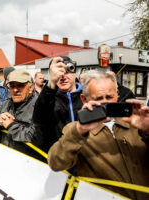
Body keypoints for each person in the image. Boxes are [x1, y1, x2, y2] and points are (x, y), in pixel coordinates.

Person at [48, 70, 149, 200]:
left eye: (109, 97)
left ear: (117, 95)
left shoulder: (136, 124)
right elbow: (56, 164)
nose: (105, 103)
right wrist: (79, 131)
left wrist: (147, 130)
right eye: (99, 98)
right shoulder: (75, 130)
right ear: (84, 99)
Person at [0, 70, 45, 161]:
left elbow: (36, 137)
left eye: (20, 85)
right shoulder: (7, 103)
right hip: (6, 158)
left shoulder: (39, 107)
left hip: (28, 164)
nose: (15, 90)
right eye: (12, 86)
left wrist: (11, 125)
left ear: (31, 87)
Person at [33, 56, 83, 151]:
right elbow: (38, 118)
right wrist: (51, 83)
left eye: (68, 70)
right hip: (57, 159)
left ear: (75, 73)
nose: (63, 76)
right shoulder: (48, 98)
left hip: (83, 159)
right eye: (58, 72)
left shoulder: (86, 97)